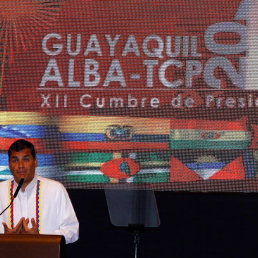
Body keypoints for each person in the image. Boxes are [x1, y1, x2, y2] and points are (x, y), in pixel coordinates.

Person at [0, 139, 79, 244]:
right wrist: (4, 238)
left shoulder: (55, 189)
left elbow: (72, 231)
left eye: (26, 159)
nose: (20, 165)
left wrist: (40, 238)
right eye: (15, 160)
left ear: (35, 162)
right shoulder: (1, 190)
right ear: (9, 164)